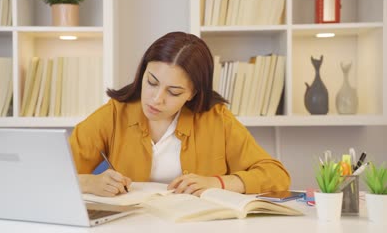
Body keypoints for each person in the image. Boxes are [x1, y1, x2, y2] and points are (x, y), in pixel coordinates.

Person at [69, 31, 290, 197]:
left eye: (174, 92)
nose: (156, 99)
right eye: (151, 82)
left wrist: (218, 183)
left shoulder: (217, 119)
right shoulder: (115, 113)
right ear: (143, 71)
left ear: (193, 93)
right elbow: (50, 174)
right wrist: (89, 183)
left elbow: (277, 176)